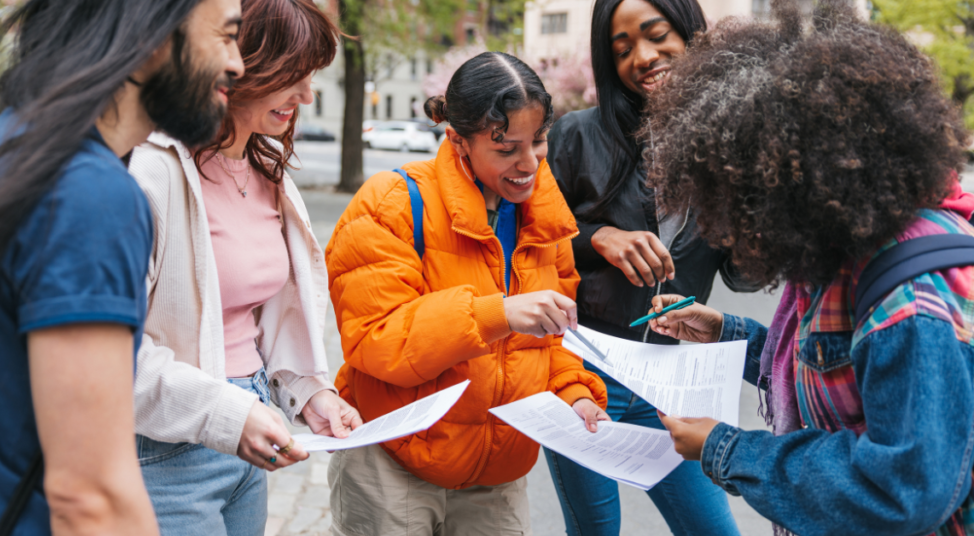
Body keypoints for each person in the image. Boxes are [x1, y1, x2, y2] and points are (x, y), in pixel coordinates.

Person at [639, 1, 974, 534]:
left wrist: (727, 449)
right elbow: (835, 367)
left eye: (738, 198)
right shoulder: (849, 239)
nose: (731, 226)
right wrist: (728, 333)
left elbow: (900, 490)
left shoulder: (908, 307)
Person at [0, 0, 244, 534]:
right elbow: (91, 498)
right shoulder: (89, 195)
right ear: (152, 32)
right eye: (226, 36)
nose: (237, 63)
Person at [325, 51, 609, 535]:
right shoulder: (389, 204)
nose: (529, 164)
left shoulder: (546, 216)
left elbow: (555, 340)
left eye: (538, 141)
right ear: (457, 139)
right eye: (507, 150)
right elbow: (375, 340)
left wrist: (575, 392)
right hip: (395, 464)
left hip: (497, 477)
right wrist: (494, 314)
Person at [126, 0, 361, 534]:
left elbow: (266, 319)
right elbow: (114, 353)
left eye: (311, 78)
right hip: (167, 451)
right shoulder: (153, 173)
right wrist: (228, 416)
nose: (306, 96)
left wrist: (310, 393)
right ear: (241, 65)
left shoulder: (266, 170)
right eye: (293, 78)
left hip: (247, 435)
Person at [545, 0, 757, 533]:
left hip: (672, 379)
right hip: (583, 372)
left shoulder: (730, 143)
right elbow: (529, 249)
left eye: (655, 34)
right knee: (595, 529)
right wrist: (600, 238)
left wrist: (747, 204)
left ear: (690, 33)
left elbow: (744, 276)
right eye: (621, 50)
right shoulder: (575, 136)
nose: (641, 57)